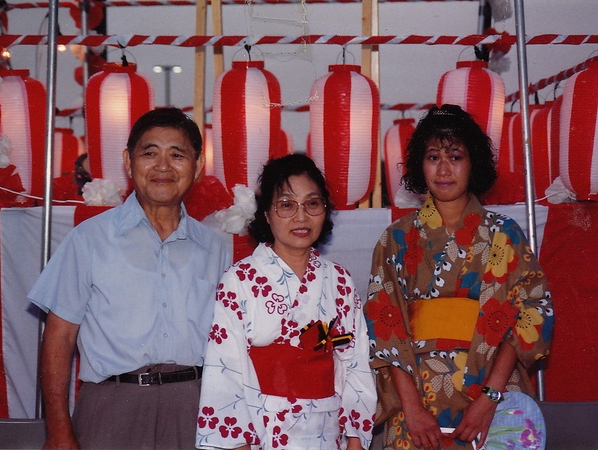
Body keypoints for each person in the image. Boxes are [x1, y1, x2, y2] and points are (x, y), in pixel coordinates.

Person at [29, 107, 232, 449]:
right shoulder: (89, 239)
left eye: (177, 155)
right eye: (150, 153)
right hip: (111, 407)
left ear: (197, 166)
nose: (163, 166)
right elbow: (59, 338)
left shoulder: (214, 248)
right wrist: (58, 430)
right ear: (128, 161)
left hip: (194, 408)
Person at [365, 104, 554, 450]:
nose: (444, 169)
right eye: (433, 157)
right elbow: (384, 328)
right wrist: (411, 408)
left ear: (473, 163)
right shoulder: (396, 238)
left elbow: (531, 312)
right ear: (420, 165)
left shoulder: (504, 233)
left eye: (455, 156)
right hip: (417, 397)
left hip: (492, 391)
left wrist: (489, 398)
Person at [195, 154, 377, 450]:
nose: (301, 217)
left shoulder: (339, 281)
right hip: (262, 427)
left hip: (327, 430)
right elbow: (224, 370)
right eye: (286, 205)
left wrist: (355, 438)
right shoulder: (239, 280)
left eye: (312, 203)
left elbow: (354, 361)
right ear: (267, 214)